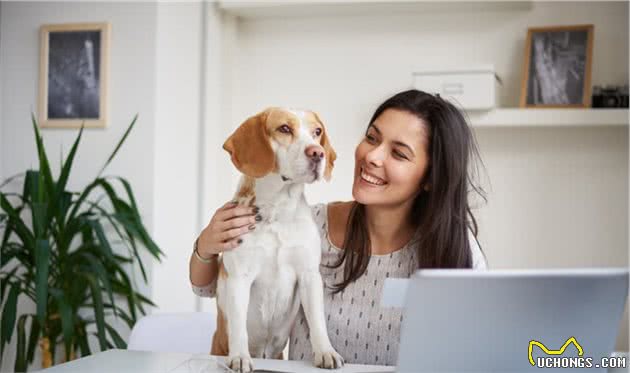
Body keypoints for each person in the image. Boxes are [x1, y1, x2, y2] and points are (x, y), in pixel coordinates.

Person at [189, 89, 488, 366]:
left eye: (398, 153)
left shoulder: (454, 248)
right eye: (372, 138)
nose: (372, 156)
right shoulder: (310, 225)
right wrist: (205, 247)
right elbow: (211, 288)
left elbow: (479, 349)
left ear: (430, 178)